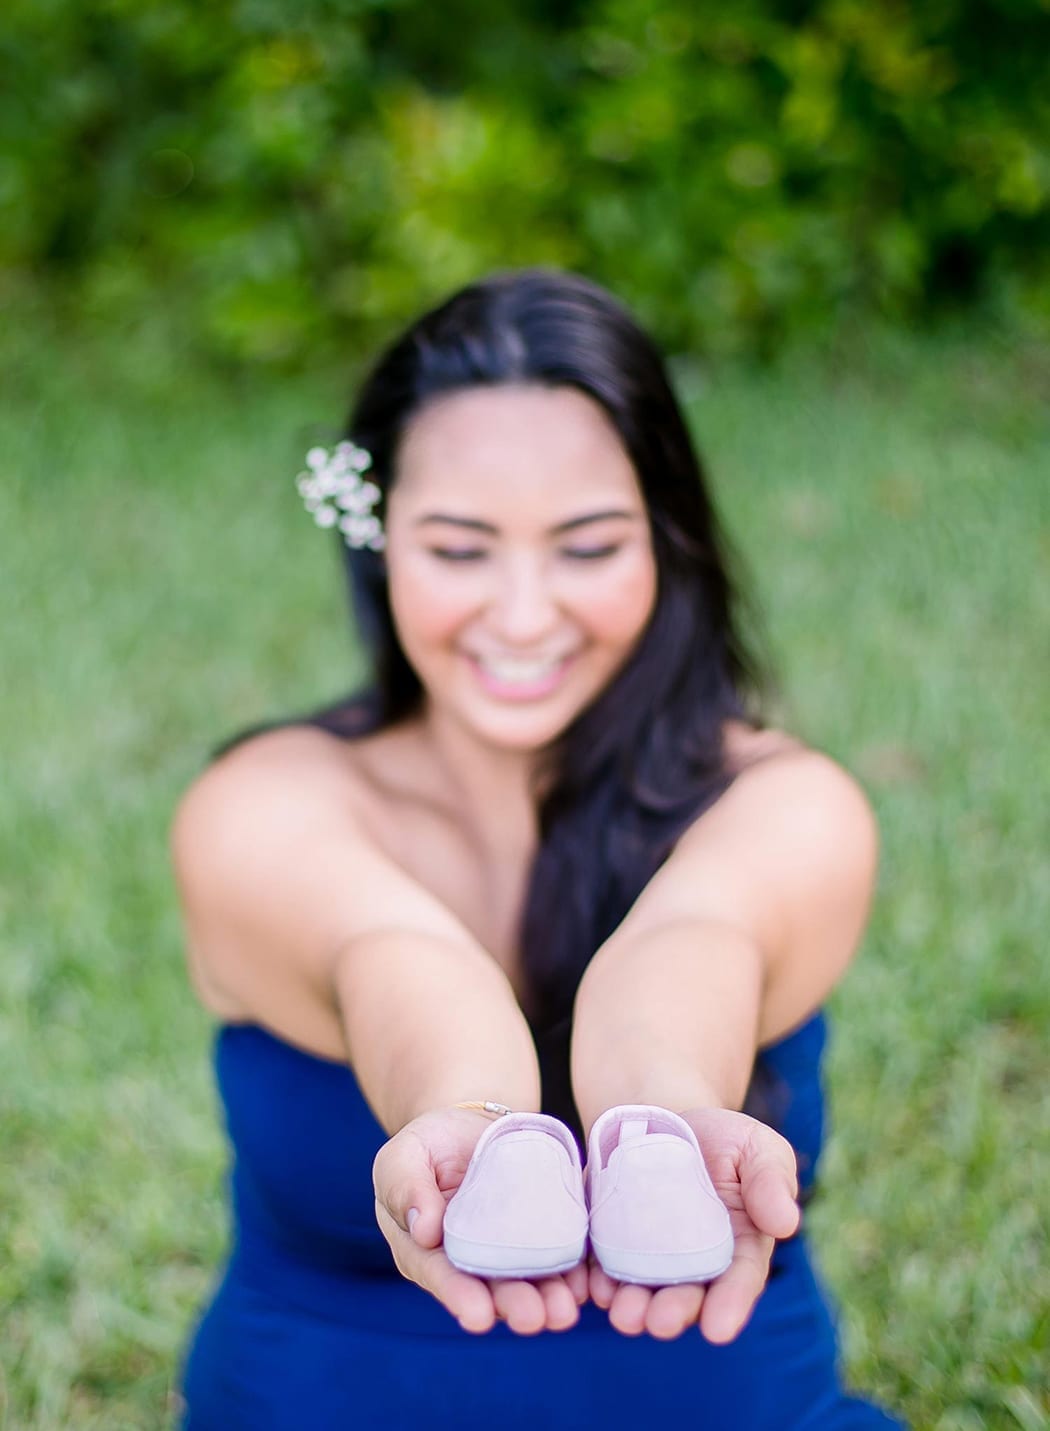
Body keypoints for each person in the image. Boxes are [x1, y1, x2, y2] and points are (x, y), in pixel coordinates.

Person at [172, 269, 904, 1428]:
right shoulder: (264, 804)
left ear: (664, 540)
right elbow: (391, 953)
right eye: (461, 550)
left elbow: (689, 942)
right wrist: (467, 1126)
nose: (522, 615)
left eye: (587, 546)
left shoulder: (784, 803)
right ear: (381, 541)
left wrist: (665, 1120)